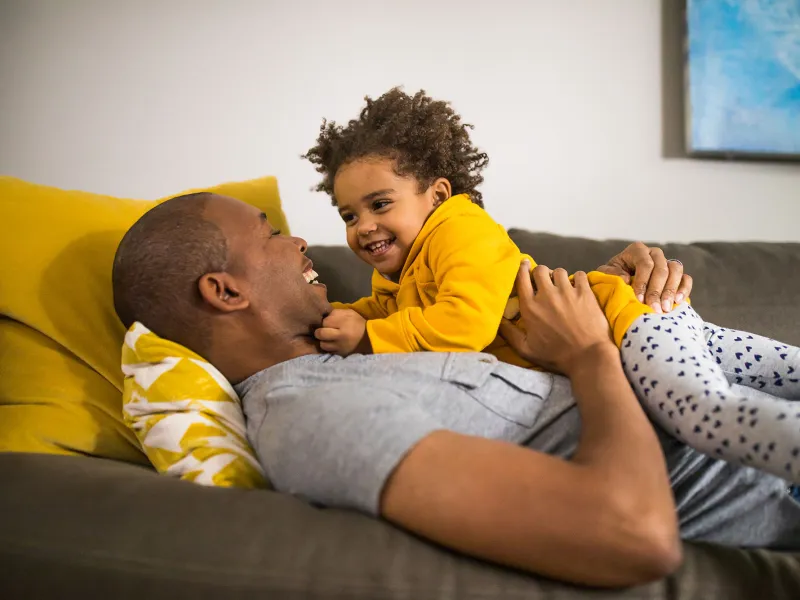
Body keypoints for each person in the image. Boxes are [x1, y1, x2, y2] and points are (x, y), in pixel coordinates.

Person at [112, 192, 800, 588]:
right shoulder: (309, 413)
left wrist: (606, 292)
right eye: (267, 233)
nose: (299, 241)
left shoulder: (369, 343)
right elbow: (633, 534)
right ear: (224, 290)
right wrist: (590, 352)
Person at [302, 88, 800, 481]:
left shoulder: (458, 229)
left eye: (380, 204)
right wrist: (355, 317)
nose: (363, 225)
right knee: (778, 373)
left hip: (628, 331)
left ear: (437, 195)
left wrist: (368, 339)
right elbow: (391, 311)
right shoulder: (399, 270)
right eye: (349, 214)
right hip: (639, 324)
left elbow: (464, 323)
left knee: (705, 415)